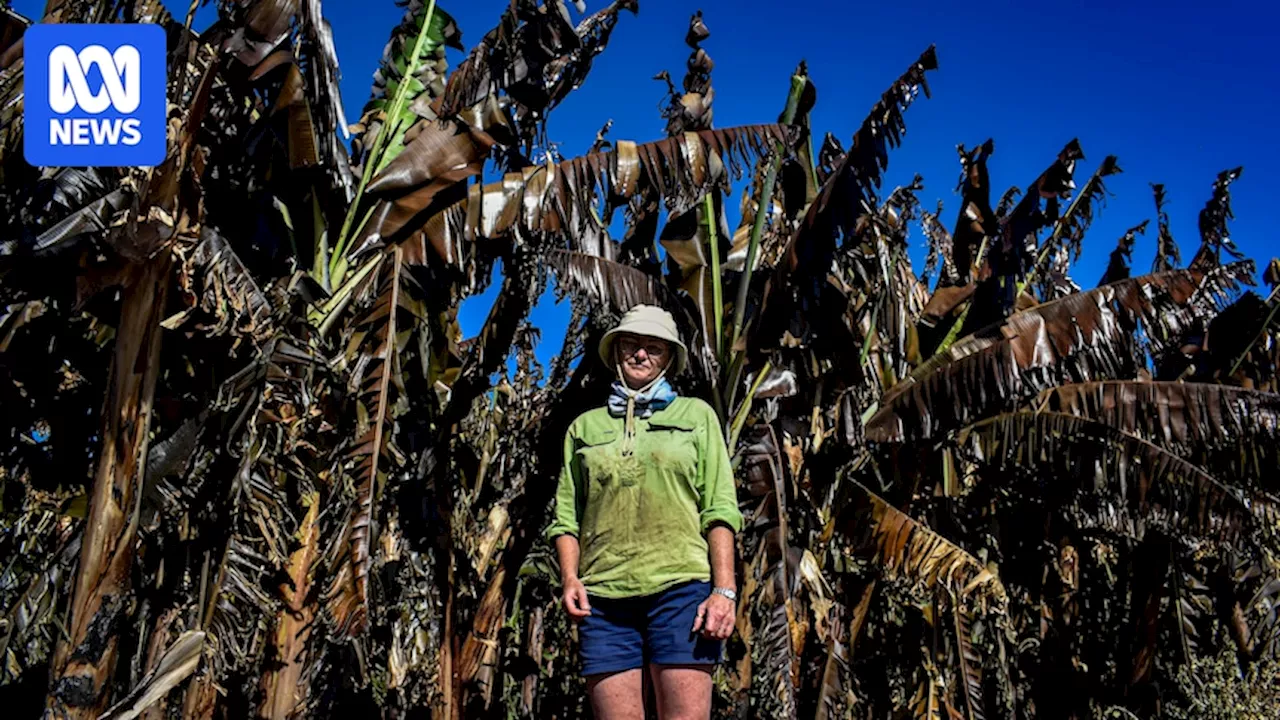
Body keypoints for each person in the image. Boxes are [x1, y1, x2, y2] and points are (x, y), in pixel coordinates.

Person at [546, 305, 743, 720]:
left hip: (682, 590)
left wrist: (723, 591)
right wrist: (569, 579)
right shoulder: (584, 428)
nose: (640, 354)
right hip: (603, 600)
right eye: (631, 344)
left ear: (669, 358)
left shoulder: (696, 416)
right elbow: (566, 517)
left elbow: (720, 509)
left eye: (653, 348)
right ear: (615, 351)